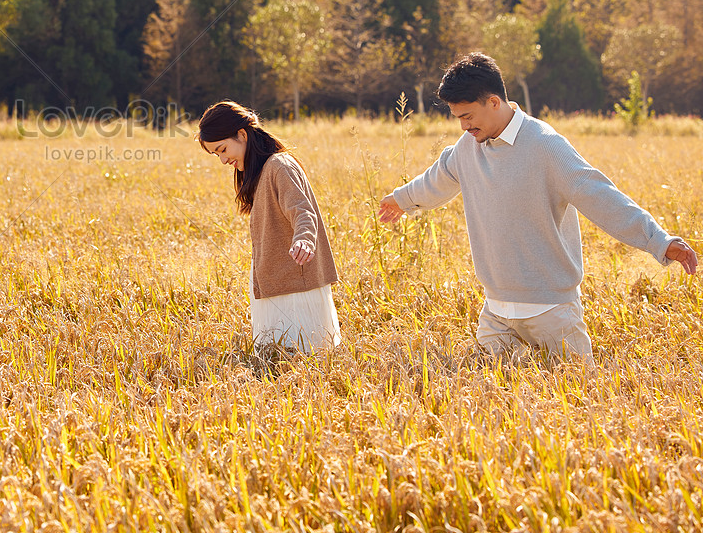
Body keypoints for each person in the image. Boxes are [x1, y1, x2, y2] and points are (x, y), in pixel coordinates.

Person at [378, 53, 697, 365]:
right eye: (458, 118)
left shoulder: (546, 146)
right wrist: (402, 199)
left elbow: (602, 197)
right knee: (490, 402)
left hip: (552, 310)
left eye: (468, 116)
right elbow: (436, 180)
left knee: (577, 396)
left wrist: (659, 240)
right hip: (497, 311)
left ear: (493, 101)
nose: (463, 126)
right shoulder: (467, 149)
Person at [198, 100, 341, 353]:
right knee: (276, 364)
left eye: (222, 149)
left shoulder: (279, 166)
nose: (222, 160)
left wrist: (304, 239)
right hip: (276, 284)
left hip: (295, 286)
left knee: (305, 363)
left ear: (242, 134)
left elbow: (302, 210)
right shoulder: (262, 170)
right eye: (216, 154)